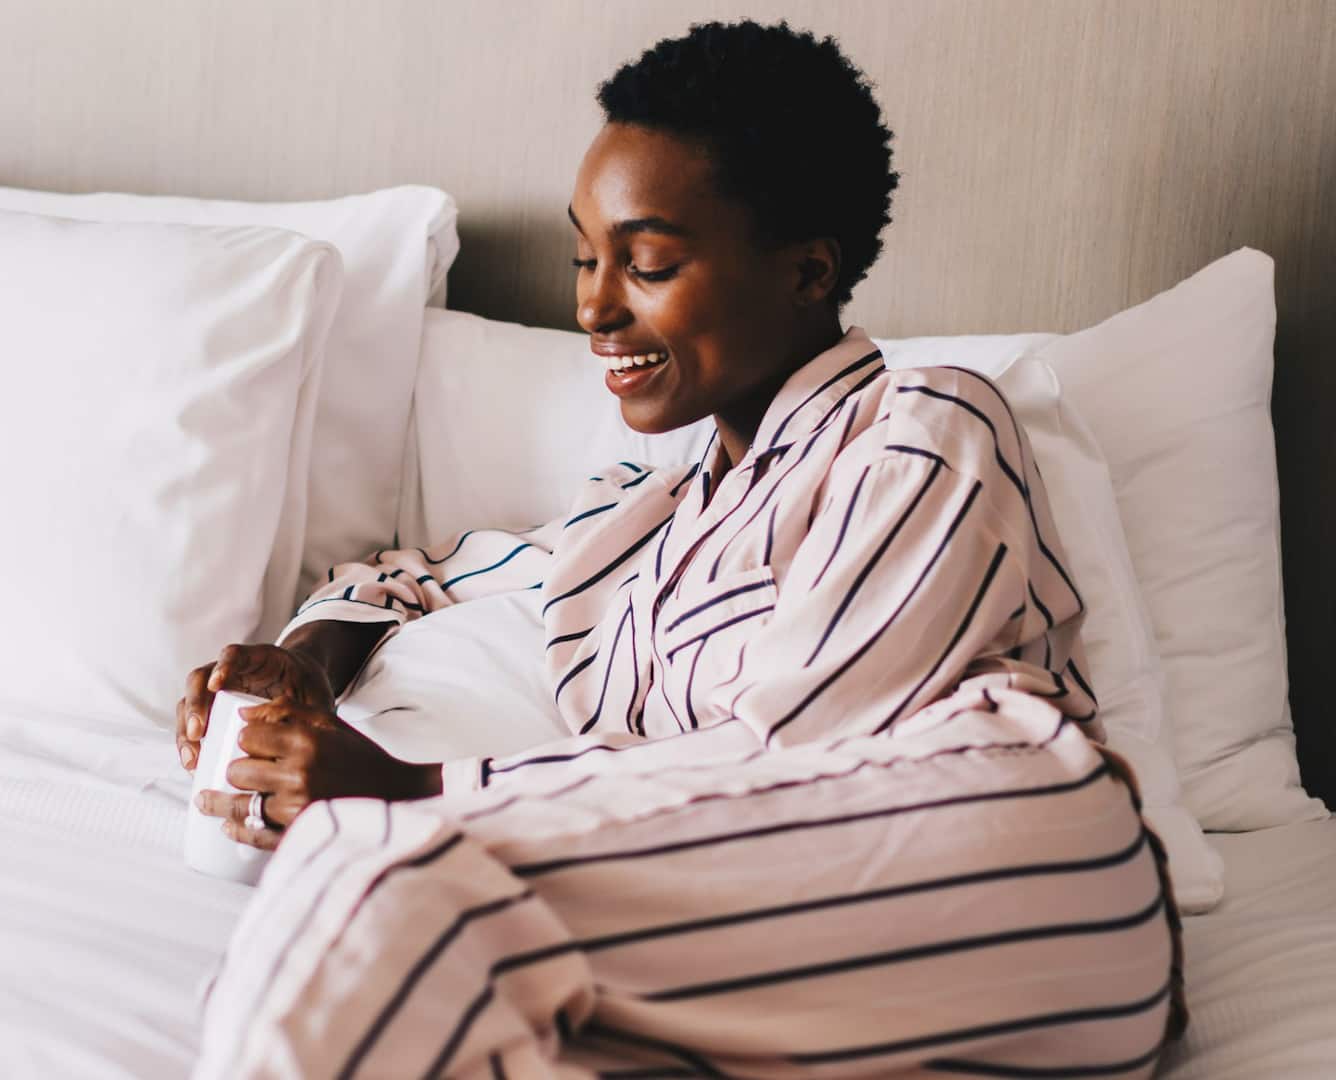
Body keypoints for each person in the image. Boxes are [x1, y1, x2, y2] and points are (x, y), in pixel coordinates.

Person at [178, 20, 1184, 1079]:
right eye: (586, 257)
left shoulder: (922, 428)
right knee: (424, 991)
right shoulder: (636, 521)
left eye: (647, 262)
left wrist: (416, 791)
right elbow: (398, 581)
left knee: (374, 879)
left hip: (1006, 848)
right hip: (763, 916)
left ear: (806, 273)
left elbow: (796, 752)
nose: (593, 304)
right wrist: (306, 671)